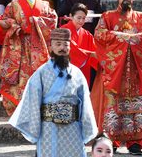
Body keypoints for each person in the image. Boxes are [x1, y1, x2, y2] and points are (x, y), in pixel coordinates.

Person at [91, 0, 142, 155]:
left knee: (138, 107)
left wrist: (131, 39)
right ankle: (111, 139)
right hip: (116, 71)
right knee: (113, 105)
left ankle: (136, 142)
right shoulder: (107, 17)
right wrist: (124, 38)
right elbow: (99, 36)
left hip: (138, 70)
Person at [9, 28, 98, 157]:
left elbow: (86, 106)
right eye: (58, 44)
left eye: (65, 45)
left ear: (70, 47)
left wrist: (87, 128)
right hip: (48, 129)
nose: (62, 48)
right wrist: (35, 128)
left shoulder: (77, 74)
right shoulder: (41, 72)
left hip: (73, 129)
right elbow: (33, 101)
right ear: (51, 46)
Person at [0, 0, 58, 116]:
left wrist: (38, 21)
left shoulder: (44, 5)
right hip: (20, 46)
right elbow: (5, 20)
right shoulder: (14, 5)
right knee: (20, 79)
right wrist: (15, 25)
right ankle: (19, 111)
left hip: (39, 47)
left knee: (39, 77)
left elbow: (53, 20)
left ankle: (38, 111)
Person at [60, 3, 98, 87]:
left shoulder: (87, 34)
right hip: (66, 69)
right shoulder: (63, 30)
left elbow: (95, 52)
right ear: (71, 16)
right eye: (78, 18)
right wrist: (90, 54)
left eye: (83, 18)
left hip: (83, 71)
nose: (81, 21)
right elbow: (71, 49)